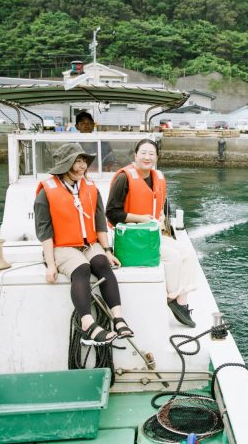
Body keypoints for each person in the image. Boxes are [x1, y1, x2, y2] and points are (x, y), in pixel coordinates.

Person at [34, 142, 134, 346]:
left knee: (102, 264)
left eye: (83, 162)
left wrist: (107, 250)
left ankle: (118, 318)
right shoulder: (46, 192)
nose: (82, 166)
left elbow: (99, 223)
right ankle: (88, 325)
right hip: (61, 247)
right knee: (82, 269)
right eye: (76, 162)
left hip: (89, 244)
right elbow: (44, 231)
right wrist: (51, 265)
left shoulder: (90, 188)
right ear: (64, 165)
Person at [106, 139, 197, 327]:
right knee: (172, 257)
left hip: (152, 236)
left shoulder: (158, 177)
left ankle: (181, 302)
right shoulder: (124, 178)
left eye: (152, 154)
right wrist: (141, 218)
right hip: (132, 241)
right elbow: (112, 213)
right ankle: (171, 298)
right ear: (135, 156)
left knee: (188, 253)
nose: (147, 157)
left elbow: (160, 207)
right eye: (143, 153)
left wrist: (159, 220)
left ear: (156, 157)